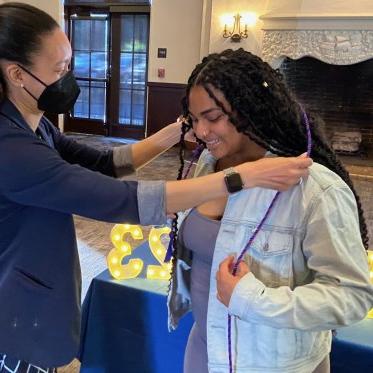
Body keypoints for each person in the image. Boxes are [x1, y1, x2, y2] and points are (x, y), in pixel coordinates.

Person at [0, 4, 312, 372]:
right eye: (59, 69)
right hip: (16, 316)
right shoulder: (11, 148)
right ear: (18, 74)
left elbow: (106, 162)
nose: (69, 76)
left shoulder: (35, 126)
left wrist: (172, 133)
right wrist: (242, 177)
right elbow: (118, 199)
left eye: (69, 64)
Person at [167, 48, 373, 373]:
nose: (201, 132)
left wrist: (253, 298)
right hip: (205, 348)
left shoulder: (314, 188)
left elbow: (352, 296)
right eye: (193, 120)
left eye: (213, 117)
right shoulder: (204, 167)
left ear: (248, 109)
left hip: (270, 363)